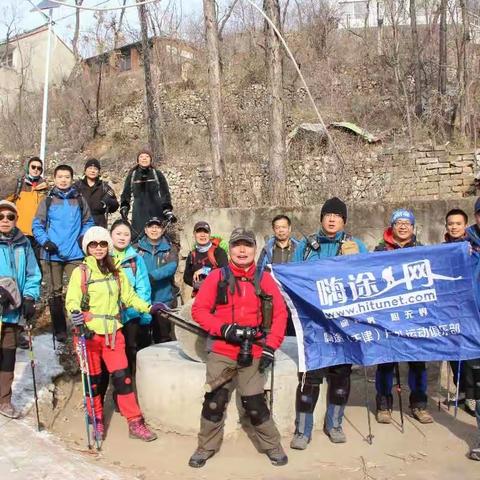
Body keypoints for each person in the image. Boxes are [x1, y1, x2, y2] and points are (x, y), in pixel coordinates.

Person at [188, 227, 288, 468]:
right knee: (214, 401)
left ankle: (272, 445)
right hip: (223, 348)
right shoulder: (216, 277)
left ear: (255, 249)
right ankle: (206, 447)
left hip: (253, 350)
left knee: (254, 403)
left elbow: (280, 315)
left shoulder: (265, 279)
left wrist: (270, 347)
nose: (242, 250)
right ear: (229, 249)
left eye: (247, 245)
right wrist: (224, 329)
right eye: (236, 245)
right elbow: (198, 310)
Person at [66, 226, 161, 442]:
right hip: (88, 333)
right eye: (93, 244)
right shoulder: (81, 272)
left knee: (123, 379)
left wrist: (149, 307)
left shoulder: (116, 271)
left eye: (102, 244)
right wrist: (75, 314)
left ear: (108, 246)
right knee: (94, 380)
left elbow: (129, 297)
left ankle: (135, 423)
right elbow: (72, 299)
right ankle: (96, 419)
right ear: (87, 247)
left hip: (113, 332)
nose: (98, 248)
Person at [290, 197, 368, 449]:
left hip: (343, 324)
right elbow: (293, 276)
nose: (332, 219)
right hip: (313, 322)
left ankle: (334, 424)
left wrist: (355, 262)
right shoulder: (306, 245)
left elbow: (367, 281)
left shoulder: (355, 245)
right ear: (321, 218)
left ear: (344, 220)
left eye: (337, 215)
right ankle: (303, 430)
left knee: (340, 375)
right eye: (328, 215)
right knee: (310, 376)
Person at [374, 209, 433, 425]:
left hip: (414, 315)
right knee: (385, 363)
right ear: (392, 226)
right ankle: (383, 404)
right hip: (387, 315)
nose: (402, 226)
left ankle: (419, 404)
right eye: (398, 222)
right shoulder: (380, 250)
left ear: (413, 227)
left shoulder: (421, 250)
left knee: (418, 362)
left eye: (407, 223)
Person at [32, 164, 95, 343]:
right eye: (60, 176)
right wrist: (45, 242)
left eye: (67, 177)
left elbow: (88, 222)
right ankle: (59, 329)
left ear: (72, 178)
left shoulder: (80, 199)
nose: (63, 180)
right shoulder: (48, 201)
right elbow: (37, 225)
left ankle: (82, 326)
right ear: (54, 178)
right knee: (54, 293)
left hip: (75, 254)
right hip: (52, 254)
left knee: (81, 291)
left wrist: (82, 237)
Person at [0, 200, 41, 419]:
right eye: (1, 217)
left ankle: (4, 400)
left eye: (10, 217)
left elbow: (33, 274)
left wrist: (29, 297)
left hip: (13, 311)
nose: (5, 220)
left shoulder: (23, 243)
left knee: (8, 356)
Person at [111, 219, 152, 375]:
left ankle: (131, 385)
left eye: (126, 234)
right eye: (118, 234)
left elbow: (143, 287)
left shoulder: (136, 259)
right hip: (110, 315)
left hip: (131, 313)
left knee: (130, 348)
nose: (122, 237)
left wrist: (145, 314)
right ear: (111, 235)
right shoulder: (104, 257)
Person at [137, 217, 178, 343]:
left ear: (162, 230)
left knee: (163, 338)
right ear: (145, 230)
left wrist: (151, 276)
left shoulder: (170, 248)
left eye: (157, 227)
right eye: (151, 227)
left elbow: (171, 267)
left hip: (163, 299)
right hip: (143, 301)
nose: (154, 230)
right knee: (142, 339)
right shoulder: (137, 248)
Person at [257, 214, 300, 335]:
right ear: (273, 230)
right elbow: (259, 271)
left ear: (289, 228)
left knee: (293, 332)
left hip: (292, 298)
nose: (281, 230)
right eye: (277, 228)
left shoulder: (299, 248)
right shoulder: (267, 249)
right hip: (273, 298)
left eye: (284, 227)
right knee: (275, 331)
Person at [120, 149, 174, 241]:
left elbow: (165, 193)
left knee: (158, 237)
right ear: (137, 160)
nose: (144, 159)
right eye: (141, 157)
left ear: (151, 159)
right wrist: (124, 207)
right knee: (138, 239)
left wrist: (167, 209)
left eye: (147, 156)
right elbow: (126, 193)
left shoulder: (157, 174)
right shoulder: (132, 175)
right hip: (139, 212)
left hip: (156, 211)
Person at [6, 156, 48, 262]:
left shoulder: (45, 189)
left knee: (35, 266)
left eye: (39, 168)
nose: (36, 170)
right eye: (33, 167)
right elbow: (5, 203)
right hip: (20, 232)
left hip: (38, 234)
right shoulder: (18, 185)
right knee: (18, 263)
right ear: (28, 168)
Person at [183, 221, 228, 297]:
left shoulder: (219, 252)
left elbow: (225, 271)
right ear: (194, 234)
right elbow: (186, 277)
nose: (202, 235)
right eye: (199, 232)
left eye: (205, 232)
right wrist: (196, 284)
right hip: (199, 296)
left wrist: (205, 270)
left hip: (217, 296)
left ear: (209, 234)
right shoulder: (192, 255)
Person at [74, 158, 119, 228]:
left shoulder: (105, 187)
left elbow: (115, 207)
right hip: (80, 222)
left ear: (99, 172)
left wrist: (110, 202)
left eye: (95, 169)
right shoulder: (77, 186)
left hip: (99, 223)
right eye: (90, 168)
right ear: (85, 171)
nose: (92, 171)